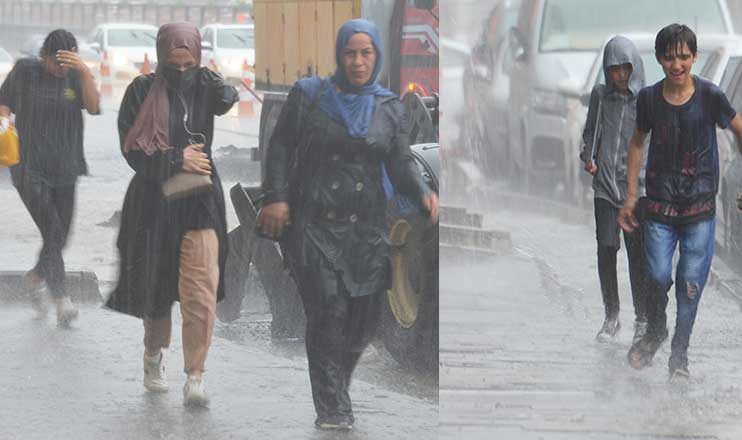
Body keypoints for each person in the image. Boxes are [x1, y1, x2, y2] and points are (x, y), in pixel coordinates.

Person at [257, 19, 440, 431]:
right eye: (350, 53)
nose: (357, 62)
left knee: (367, 317)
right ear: (339, 55)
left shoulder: (389, 108)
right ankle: (333, 407)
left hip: (366, 231)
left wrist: (424, 194)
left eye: (366, 54)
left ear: (376, 57)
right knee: (328, 312)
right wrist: (278, 198)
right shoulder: (310, 97)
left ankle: (335, 379)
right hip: (315, 226)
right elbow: (281, 147)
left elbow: (401, 161)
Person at [617, 24, 742, 380]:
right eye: (669, 57)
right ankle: (657, 327)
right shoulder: (650, 99)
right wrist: (631, 196)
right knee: (656, 276)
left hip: (699, 209)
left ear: (695, 58)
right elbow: (637, 143)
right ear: (659, 60)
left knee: (690, 284)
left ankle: (679, 355)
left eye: (684, 56)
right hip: (660, 208)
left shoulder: (711, 97)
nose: (677, 64)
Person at [104, 22, 239, 407]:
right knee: (158, 290)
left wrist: (215, 80)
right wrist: (175, 157)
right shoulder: (141, 91)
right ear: (161, 58)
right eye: (174, 64)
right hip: (154, 203)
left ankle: (195, 374)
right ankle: (153, 354)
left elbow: (228, 99)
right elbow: (132, 149)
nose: (182, 72)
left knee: (201, 288)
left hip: (200, 201)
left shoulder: (203, 86)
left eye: (189, 63)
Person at [0, 29, 100, 325]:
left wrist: (83, 72)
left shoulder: (75, 76)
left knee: (61, 235)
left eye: (67, 62)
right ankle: (61, 299)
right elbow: (3, 100)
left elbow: (94, 107)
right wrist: (4, 119)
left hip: (67, 167)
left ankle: (35, 279)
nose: (60, 69)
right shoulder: (25, 71)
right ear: (44, 57)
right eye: (56, 63)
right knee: (53, 229)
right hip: (28, 167)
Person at [580, 35, 649, 344]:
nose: (620, 75)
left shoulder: (647, 100)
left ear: (634, 68)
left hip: (636, 190)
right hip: (605, 188)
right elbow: (591, 131)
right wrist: (588, 156)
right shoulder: (600, 96)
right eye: (614, 69)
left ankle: (644, 318)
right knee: (607, 249)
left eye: (625, 68)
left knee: (637, 255)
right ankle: (611, 315)